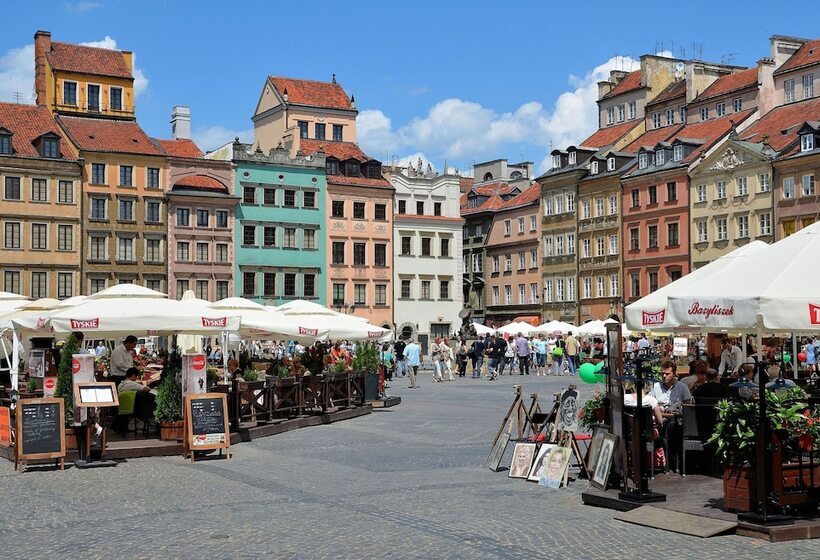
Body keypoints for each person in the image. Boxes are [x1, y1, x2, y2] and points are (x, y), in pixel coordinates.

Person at [650, 360, 693, 473]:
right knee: (667, 426)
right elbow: (650, 406)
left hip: (676, 420)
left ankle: (672, 460)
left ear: (674, 374)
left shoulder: (681, 387)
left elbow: (687, 406)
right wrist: (665, 414)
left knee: (673, 426)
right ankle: (669, 460)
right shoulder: (656, 387)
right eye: (662, 373)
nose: (664, 376)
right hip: (660, 419)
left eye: (667, 373)